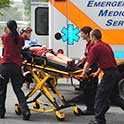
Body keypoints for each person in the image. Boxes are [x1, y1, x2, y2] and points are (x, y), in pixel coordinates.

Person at [82, 29, 124, 124]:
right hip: (115, 73)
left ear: (93, 37)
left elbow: (88, 63)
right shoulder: (106, 45)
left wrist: (83, 74)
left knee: (100, 97)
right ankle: (104, 109)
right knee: (114, 97)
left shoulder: (95, 48)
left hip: (109, 75)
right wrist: (97, 72)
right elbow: (105, 60)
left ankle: (99, 120)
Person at [0, 20, 31, 120]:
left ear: (8, 28)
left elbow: (4, 36)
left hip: (5, 66)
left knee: (2, 90)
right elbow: (21, 44)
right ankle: (25, 111)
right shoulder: (20, 39)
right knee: (18, 90)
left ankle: (1, 113)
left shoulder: (5, 37)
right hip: (16, 66)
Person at [69, 26, 98, 115]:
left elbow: (90, 59)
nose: (80, 35)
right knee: (88, 90)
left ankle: (90, 108)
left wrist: (84, 72)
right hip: (89, 69)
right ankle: (92, 107)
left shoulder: (91, 45)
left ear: (86, 34)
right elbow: (86, 57)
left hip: (91, 69)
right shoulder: (89, 44)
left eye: (81, 33)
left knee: (89, 90)